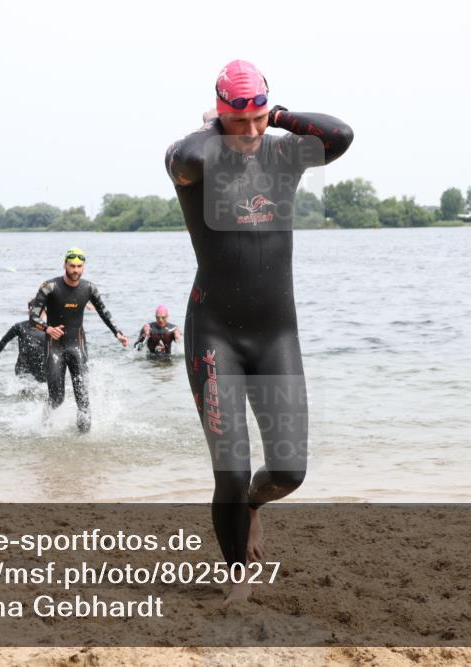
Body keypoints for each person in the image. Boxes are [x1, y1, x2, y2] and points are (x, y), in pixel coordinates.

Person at [165, 59, 353, 601]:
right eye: (236, 122)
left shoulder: (283, 152)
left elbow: (341, 135)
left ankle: (252, 505)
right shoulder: (195, 159)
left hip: (276, 336)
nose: (249, 134)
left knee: (289, 471)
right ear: (220, 115)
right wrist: (213, 127)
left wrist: (281, 118)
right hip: (214, 334)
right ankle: (237, 581)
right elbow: (187, 157)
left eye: (258, 121)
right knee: (231, 467)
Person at [29, 247, 129, 431]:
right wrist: (48, 329)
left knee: (83, 397)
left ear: (83, 267)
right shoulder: (49, 287)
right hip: (54, 348)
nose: (76, 270)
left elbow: (104, 312)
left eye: (79, 266)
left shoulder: (89, 288)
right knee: (57, 398)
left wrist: (117, 332)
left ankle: (84, 438)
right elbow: (33, 318)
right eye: (72, 266)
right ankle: (42, 429)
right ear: (65, 265)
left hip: (77, 346)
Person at [0, 300, 48, 382]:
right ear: (29, 311)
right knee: (26, 389)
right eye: (32, 309)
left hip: (42, 369)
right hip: (23, 368)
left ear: (44, 311)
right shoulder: (20, 327)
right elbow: (4, 340)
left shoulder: (50, 330)